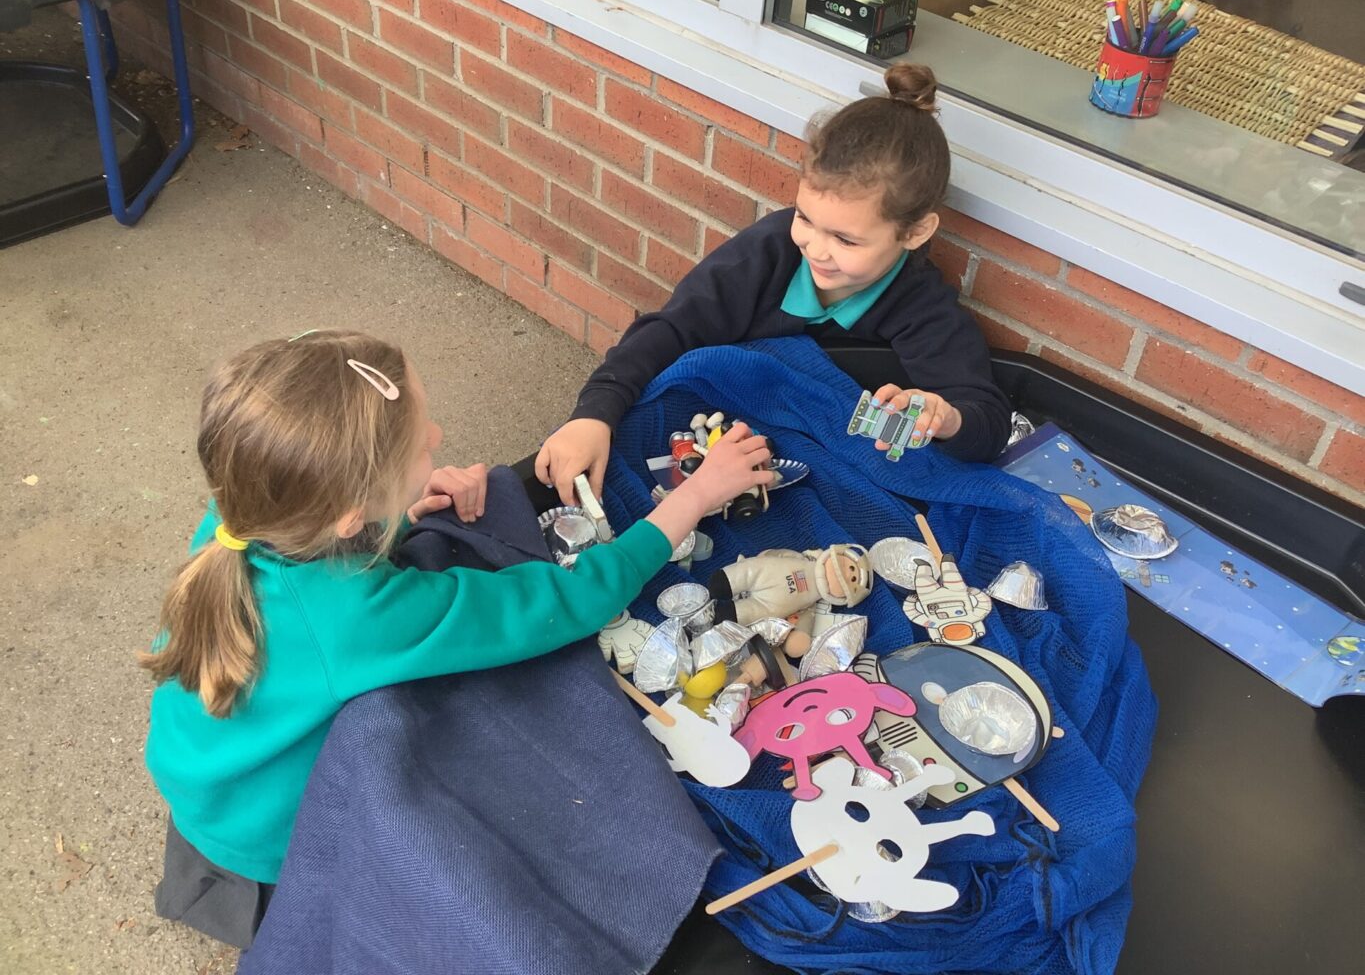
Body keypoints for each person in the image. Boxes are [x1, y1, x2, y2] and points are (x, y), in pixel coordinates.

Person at [140, 329, 772, 947]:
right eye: (420, 445)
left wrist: (402, 512)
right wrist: (696, 495)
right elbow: (565, 601)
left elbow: (326, 575)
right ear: (350, 514)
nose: (438, 436)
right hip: (264, 848)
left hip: (210, 784)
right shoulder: (361, 617)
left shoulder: (242, 512)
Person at [536, 62, 1011, 505]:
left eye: (845, 239)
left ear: (915, 233)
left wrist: (947, 418)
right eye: (805, 218)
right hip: (724, 433)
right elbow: (672, 329)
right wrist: (593, 414)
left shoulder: (922, 305)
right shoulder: (768, 251)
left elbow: (988, 423)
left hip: (830, 466)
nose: (816, 249)